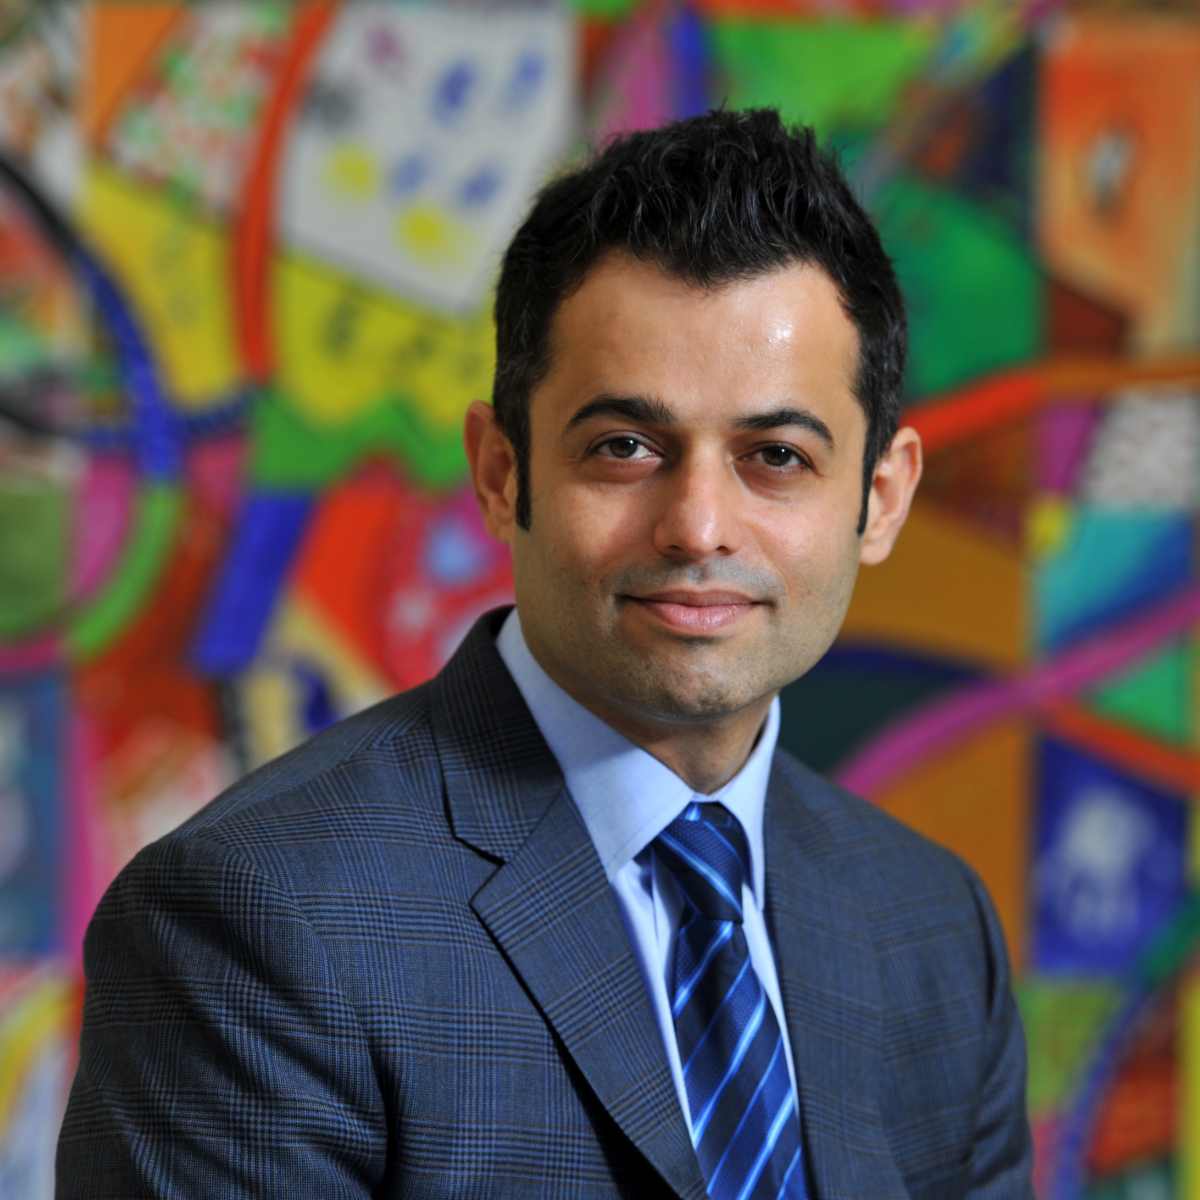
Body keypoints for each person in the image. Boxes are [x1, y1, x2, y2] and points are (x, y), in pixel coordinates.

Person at [57, 108, 1033, 1199]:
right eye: (626, 447)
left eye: (775, 456)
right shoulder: (251, 922)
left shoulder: (934, 930)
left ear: (881, 499)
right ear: (501, 473)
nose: (699, 527)